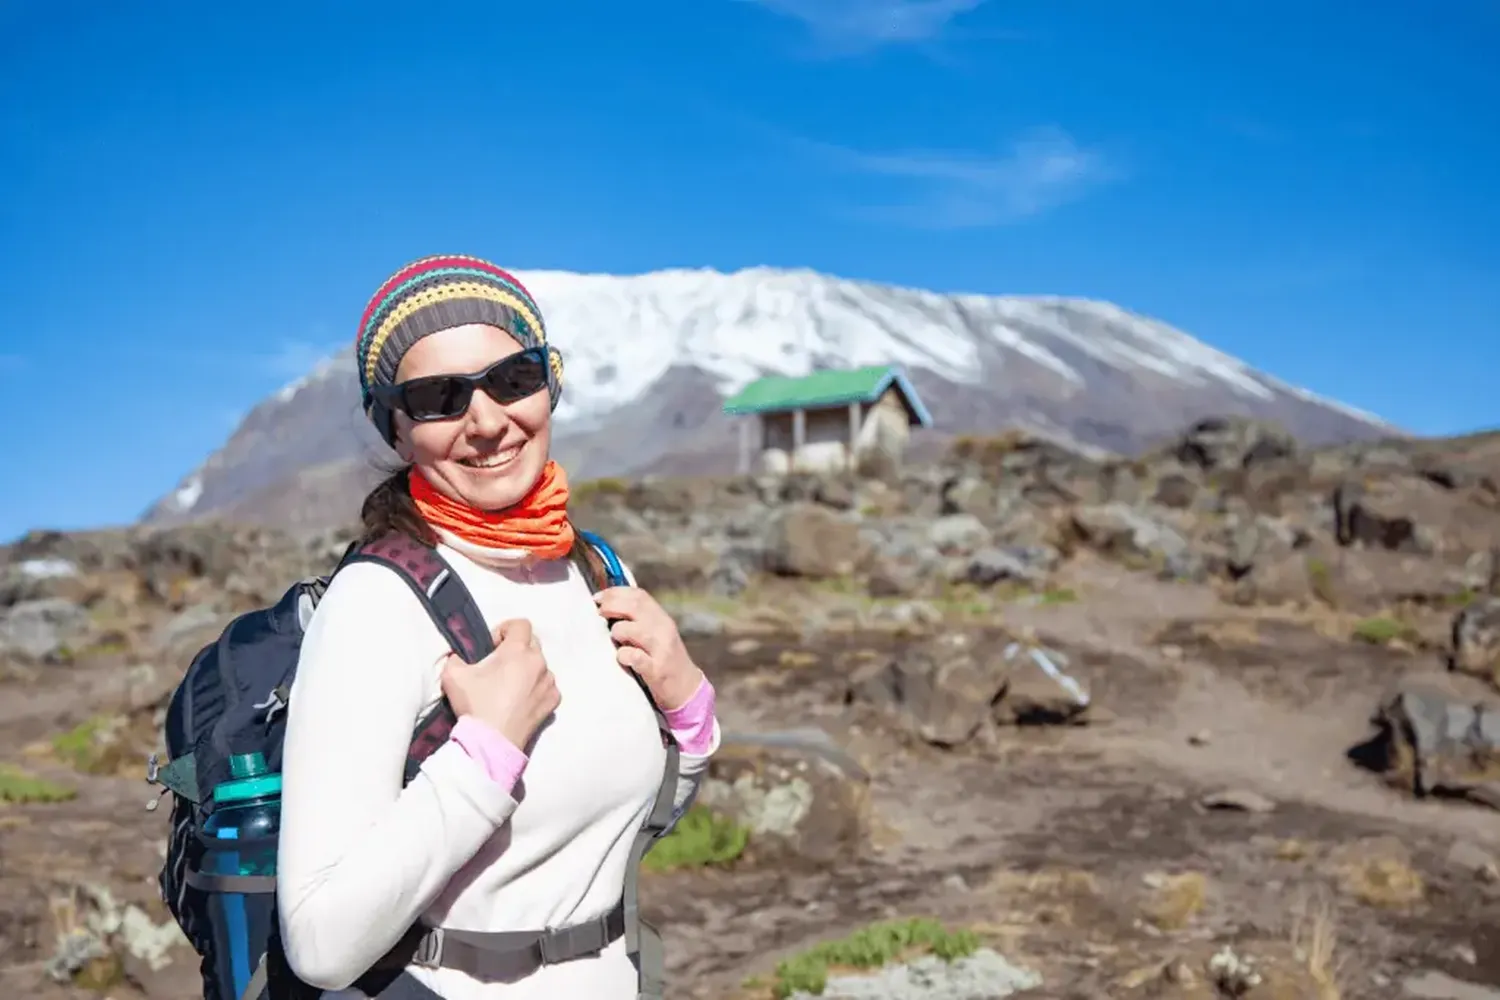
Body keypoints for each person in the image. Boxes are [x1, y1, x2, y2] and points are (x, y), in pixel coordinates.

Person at [274, 254, 721, 999]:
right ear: (396, 428)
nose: (487, 422)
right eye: (439, 398)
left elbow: (609, 830)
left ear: (551, 382)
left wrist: (689, 718)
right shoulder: (377, 604)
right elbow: (320, 944)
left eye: (514, 379)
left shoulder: (597, 572)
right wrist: (483, 756)